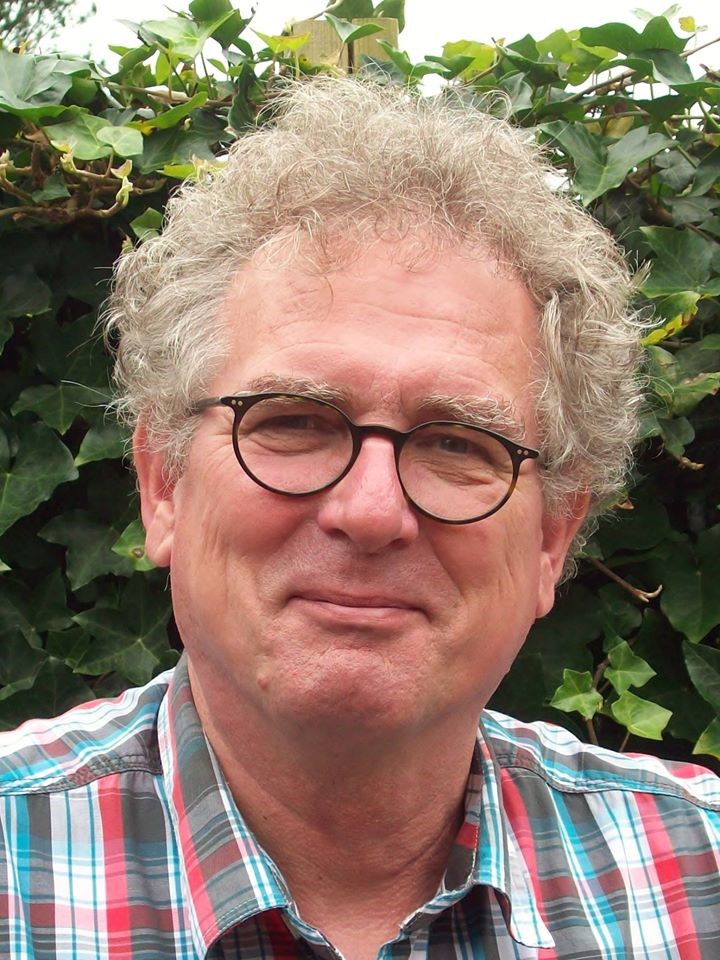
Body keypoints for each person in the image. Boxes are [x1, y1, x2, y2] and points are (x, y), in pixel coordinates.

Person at [0, 77, 718, 959]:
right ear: (163, 484)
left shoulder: (702, 874)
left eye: (457, 443)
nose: (372, 512)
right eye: (295, 423)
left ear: (551, 536)